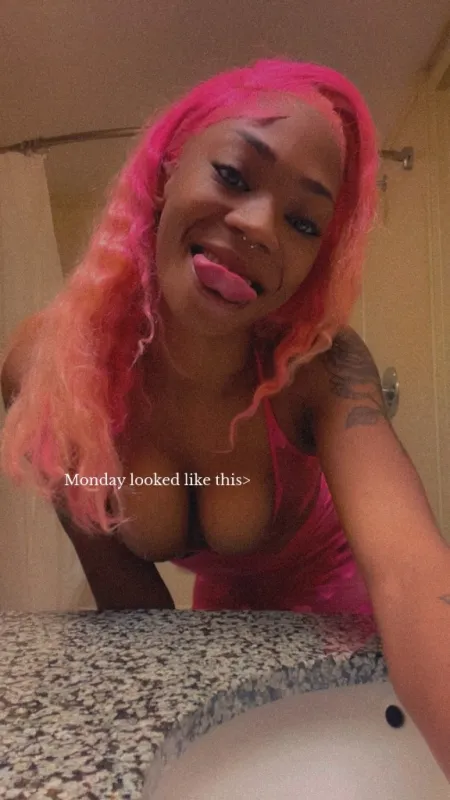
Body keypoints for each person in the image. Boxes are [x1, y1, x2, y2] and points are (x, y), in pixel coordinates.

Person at [1, 58, 450, 776]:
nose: (259, 226)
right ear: (166, 170)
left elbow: (408, 570)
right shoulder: (48, 367)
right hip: (221, 619)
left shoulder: (319, 367)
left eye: (303, 222)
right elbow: (130, 604)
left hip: (348, 614)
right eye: (235, 175)